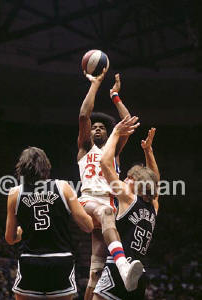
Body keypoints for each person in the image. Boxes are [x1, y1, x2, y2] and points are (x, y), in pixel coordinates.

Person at [78, 70, 143, 299]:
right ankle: (123, 266)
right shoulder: (85, 148)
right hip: (88, 202)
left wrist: (115, 96)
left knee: (95, 274)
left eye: (101, 127)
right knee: (105, 211)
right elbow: (84, 115)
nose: (96, 128)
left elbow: (129, 123)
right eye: (94, 127)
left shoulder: (113, 152)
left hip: (110, 208)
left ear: (109, 132)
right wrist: (95, 84)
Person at [5, 146, 94, 300]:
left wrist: (20, 231)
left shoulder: (14, 193)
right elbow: (88, 226)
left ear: (22, 168)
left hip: (30, 261)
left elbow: (10, 238)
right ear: (46, 166)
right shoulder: (64, 187)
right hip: (60, 259)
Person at [93, 116, 160, 300]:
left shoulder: (129, 197)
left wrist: (115, 133)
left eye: (129, 177)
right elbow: (156, 181)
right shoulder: (154, 206)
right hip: (139, 276)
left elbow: (105, 163)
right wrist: (149, 151)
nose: (124, 180)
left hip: (118, 268)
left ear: (136, 183)